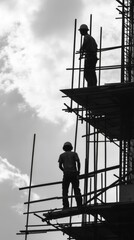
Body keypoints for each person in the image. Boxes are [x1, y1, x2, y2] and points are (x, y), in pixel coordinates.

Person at [58, 142, 82, 209]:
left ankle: (66, 206)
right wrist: (78, 171)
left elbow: (60, 166)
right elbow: (78, 162)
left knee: (65, 191)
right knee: (76, 189)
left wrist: (64, 171)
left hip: (66, 174)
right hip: (74, 173)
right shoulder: (74, 154)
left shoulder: (62, 155)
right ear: (70, 147)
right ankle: (79, 204)